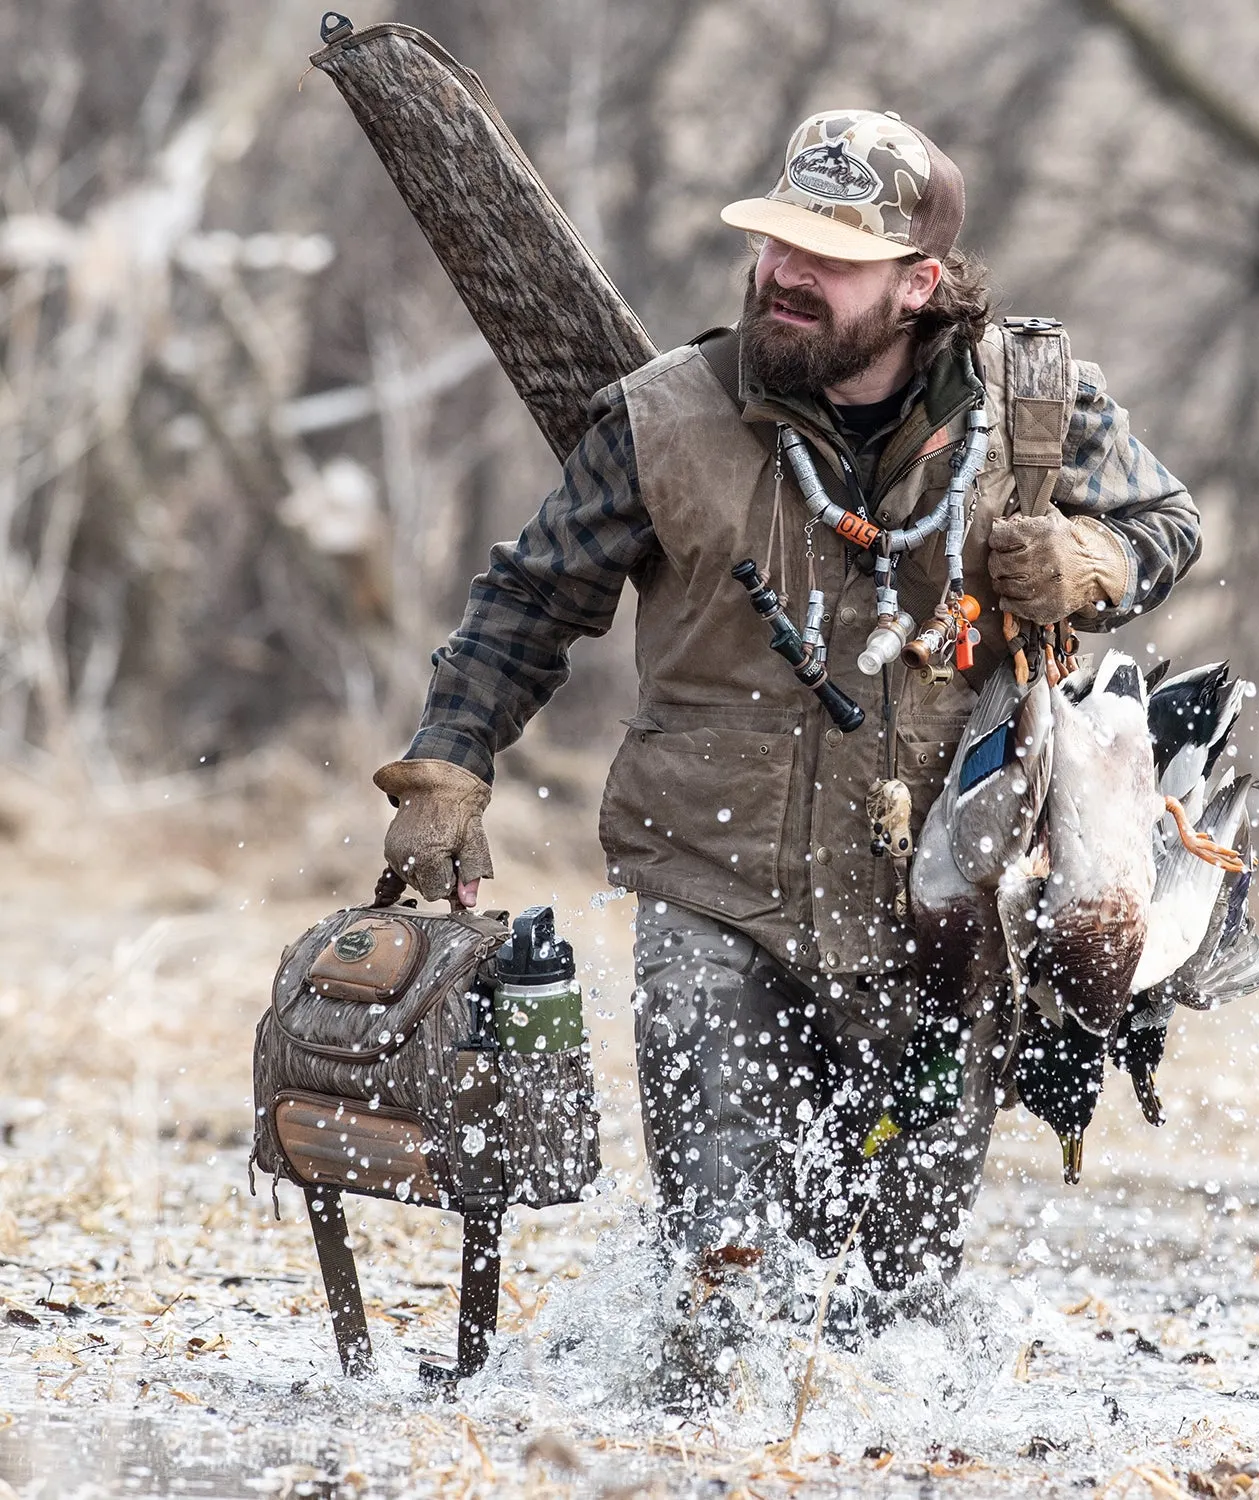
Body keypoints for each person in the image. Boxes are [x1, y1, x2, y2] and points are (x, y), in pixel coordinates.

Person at [373, 111, 1199, 1314]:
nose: (788, 274)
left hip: (950, 918)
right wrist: (449, 767)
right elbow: (529, 599)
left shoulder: (1036, 406)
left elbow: (1168, 527)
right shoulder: (661, 417)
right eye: (777, 245)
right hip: (717, 897)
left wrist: (1094, 561)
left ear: (919, 283)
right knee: (719, 1275)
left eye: (831, 256)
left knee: (897, 1302)